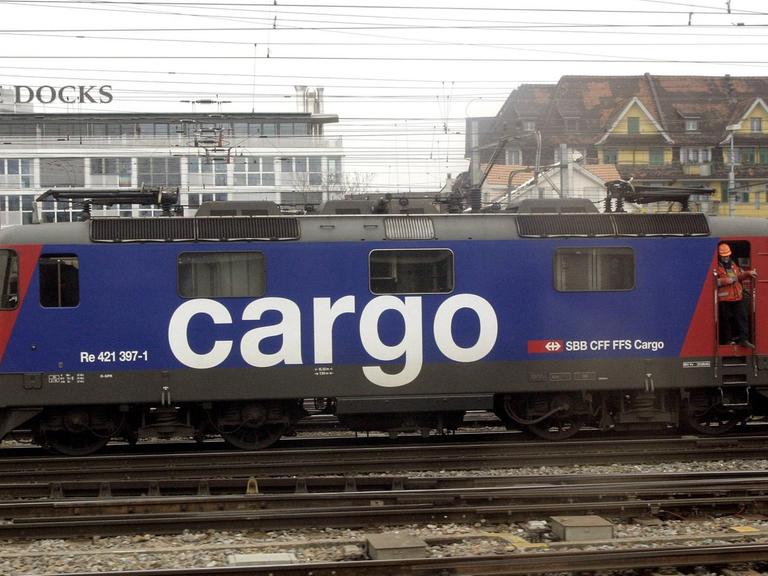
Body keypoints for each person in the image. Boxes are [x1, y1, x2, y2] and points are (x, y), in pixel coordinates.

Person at [716, 242, 757, 349]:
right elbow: (715, 282)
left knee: (742, 318)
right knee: (725, 321)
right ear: (720, 256)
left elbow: (738, 277)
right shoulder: (716, 267)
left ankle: (744, 340)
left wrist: (747, 273)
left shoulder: (733, 265)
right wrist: (726, 280)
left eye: (727, 255)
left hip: (737, 297)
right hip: (724, 299)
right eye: (724, 256)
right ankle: (728, 341)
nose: (726, 258)